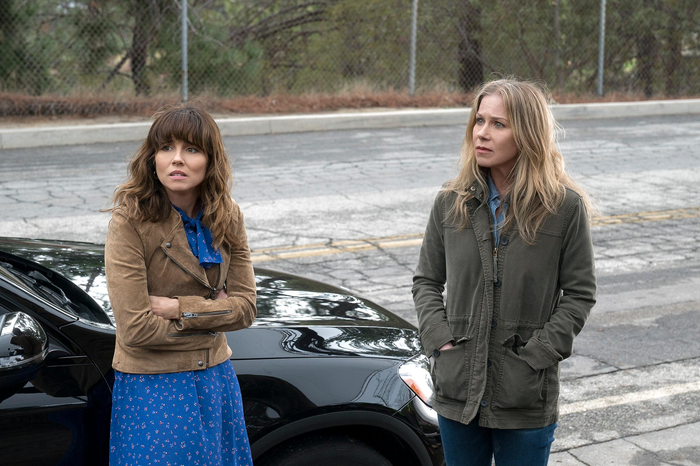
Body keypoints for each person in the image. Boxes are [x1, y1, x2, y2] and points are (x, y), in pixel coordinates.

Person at [412, 78, 596, 466]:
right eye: (479, 120)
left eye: (499, 124)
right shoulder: (450, 202)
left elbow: (579, 294)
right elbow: (427, 281)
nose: (482, 133)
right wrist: (441, 342)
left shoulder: (563, 208)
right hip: (458, 388)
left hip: (524, 394)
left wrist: (537, 355)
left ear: (527, 133)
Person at [105, 104, 256, 465]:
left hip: (215, 377)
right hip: (153, 385)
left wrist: (178, 308)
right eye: (166, 148)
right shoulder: (129, 220)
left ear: (210, 160)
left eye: (191, 149)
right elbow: (136, 329)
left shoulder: (227, 214)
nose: (177, 159)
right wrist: (215, 318)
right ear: (152, 158)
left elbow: (247, 308)